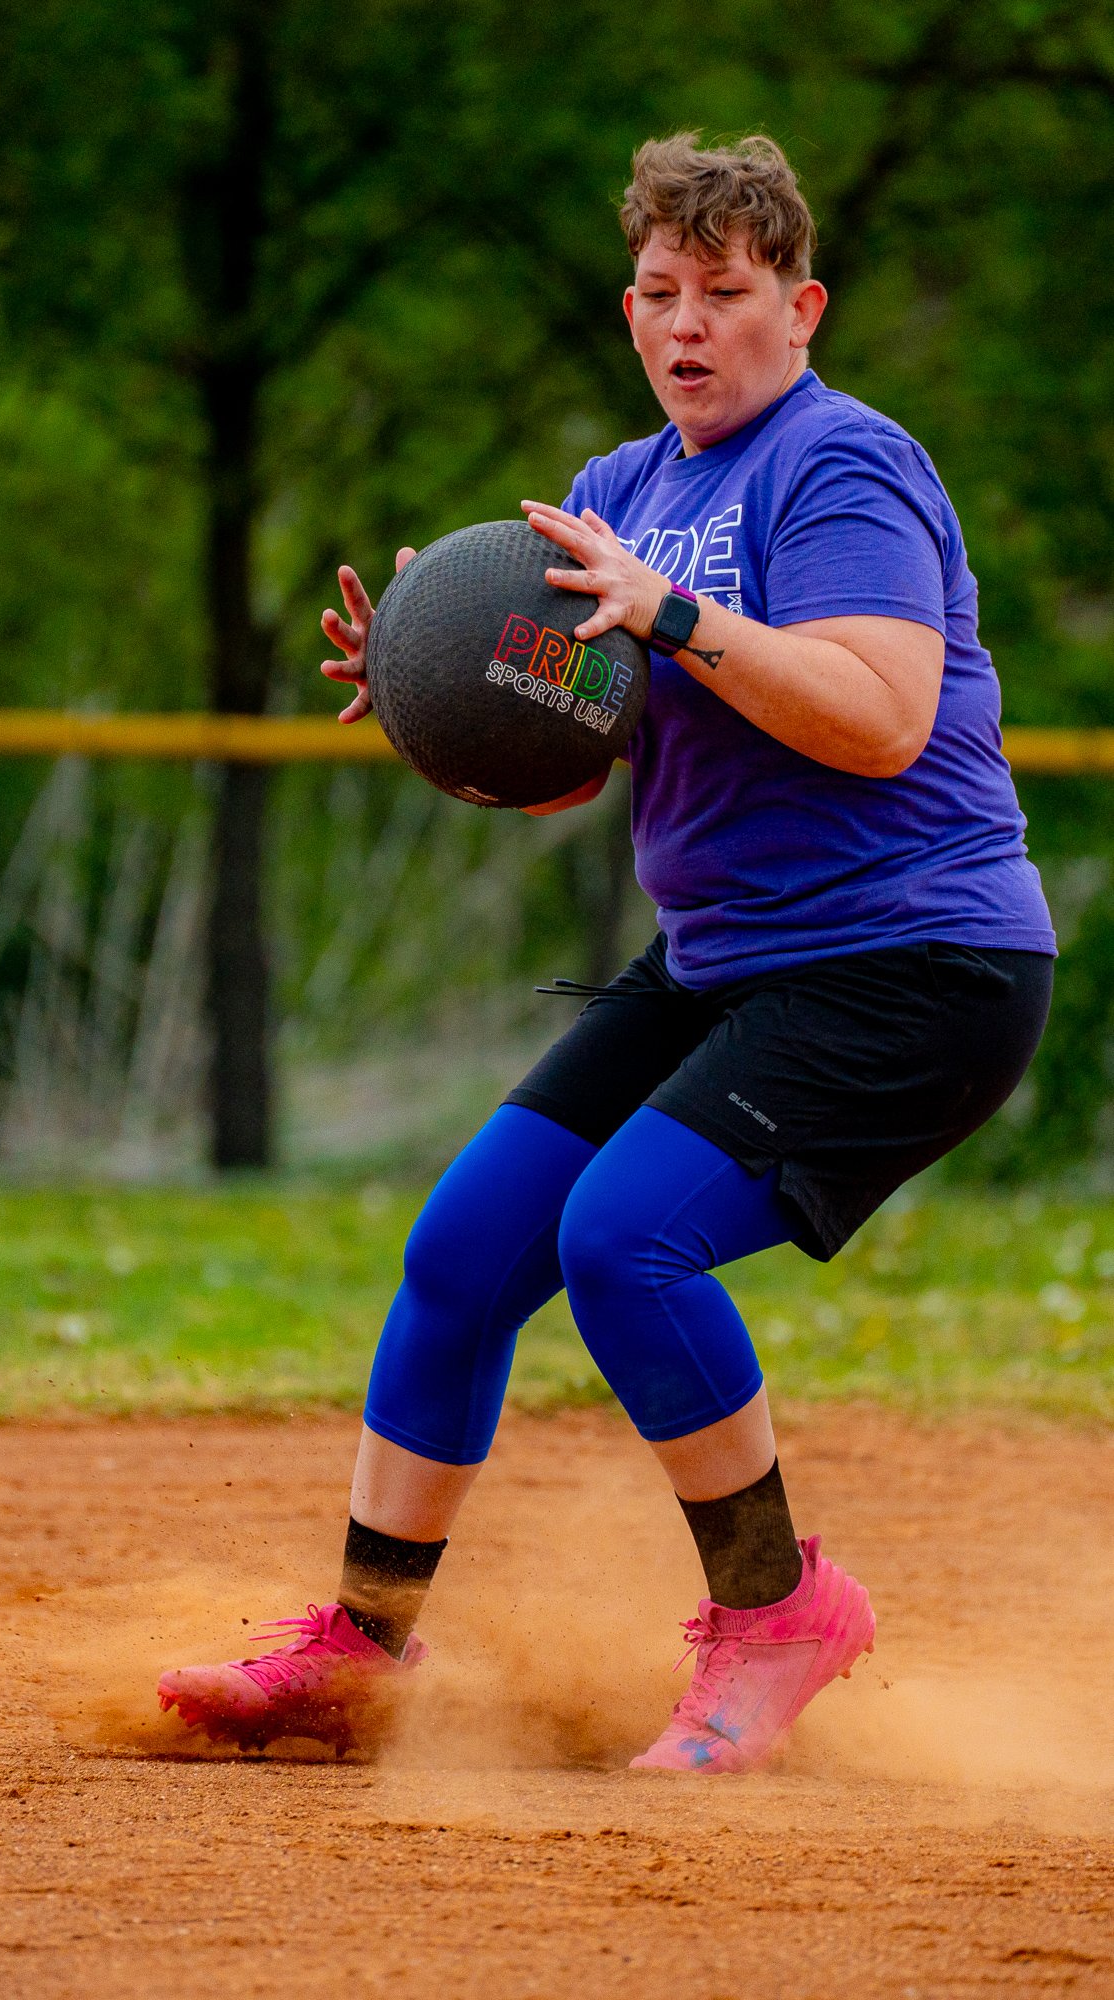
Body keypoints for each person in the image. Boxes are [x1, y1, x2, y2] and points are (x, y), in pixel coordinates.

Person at [158, 133, 1054, 1770]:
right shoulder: (621, 492)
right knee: (463, 1250)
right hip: (726, 957)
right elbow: (576, 764)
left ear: (801, 309)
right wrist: (447, 695)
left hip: (913, 963)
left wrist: (670, 615)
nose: (686, 324)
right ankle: (359, 1651)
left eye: (725, 291)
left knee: (623, 1239)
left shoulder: (842, 465)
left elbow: (879, 718)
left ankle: (777, 1611)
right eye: (658, 291)